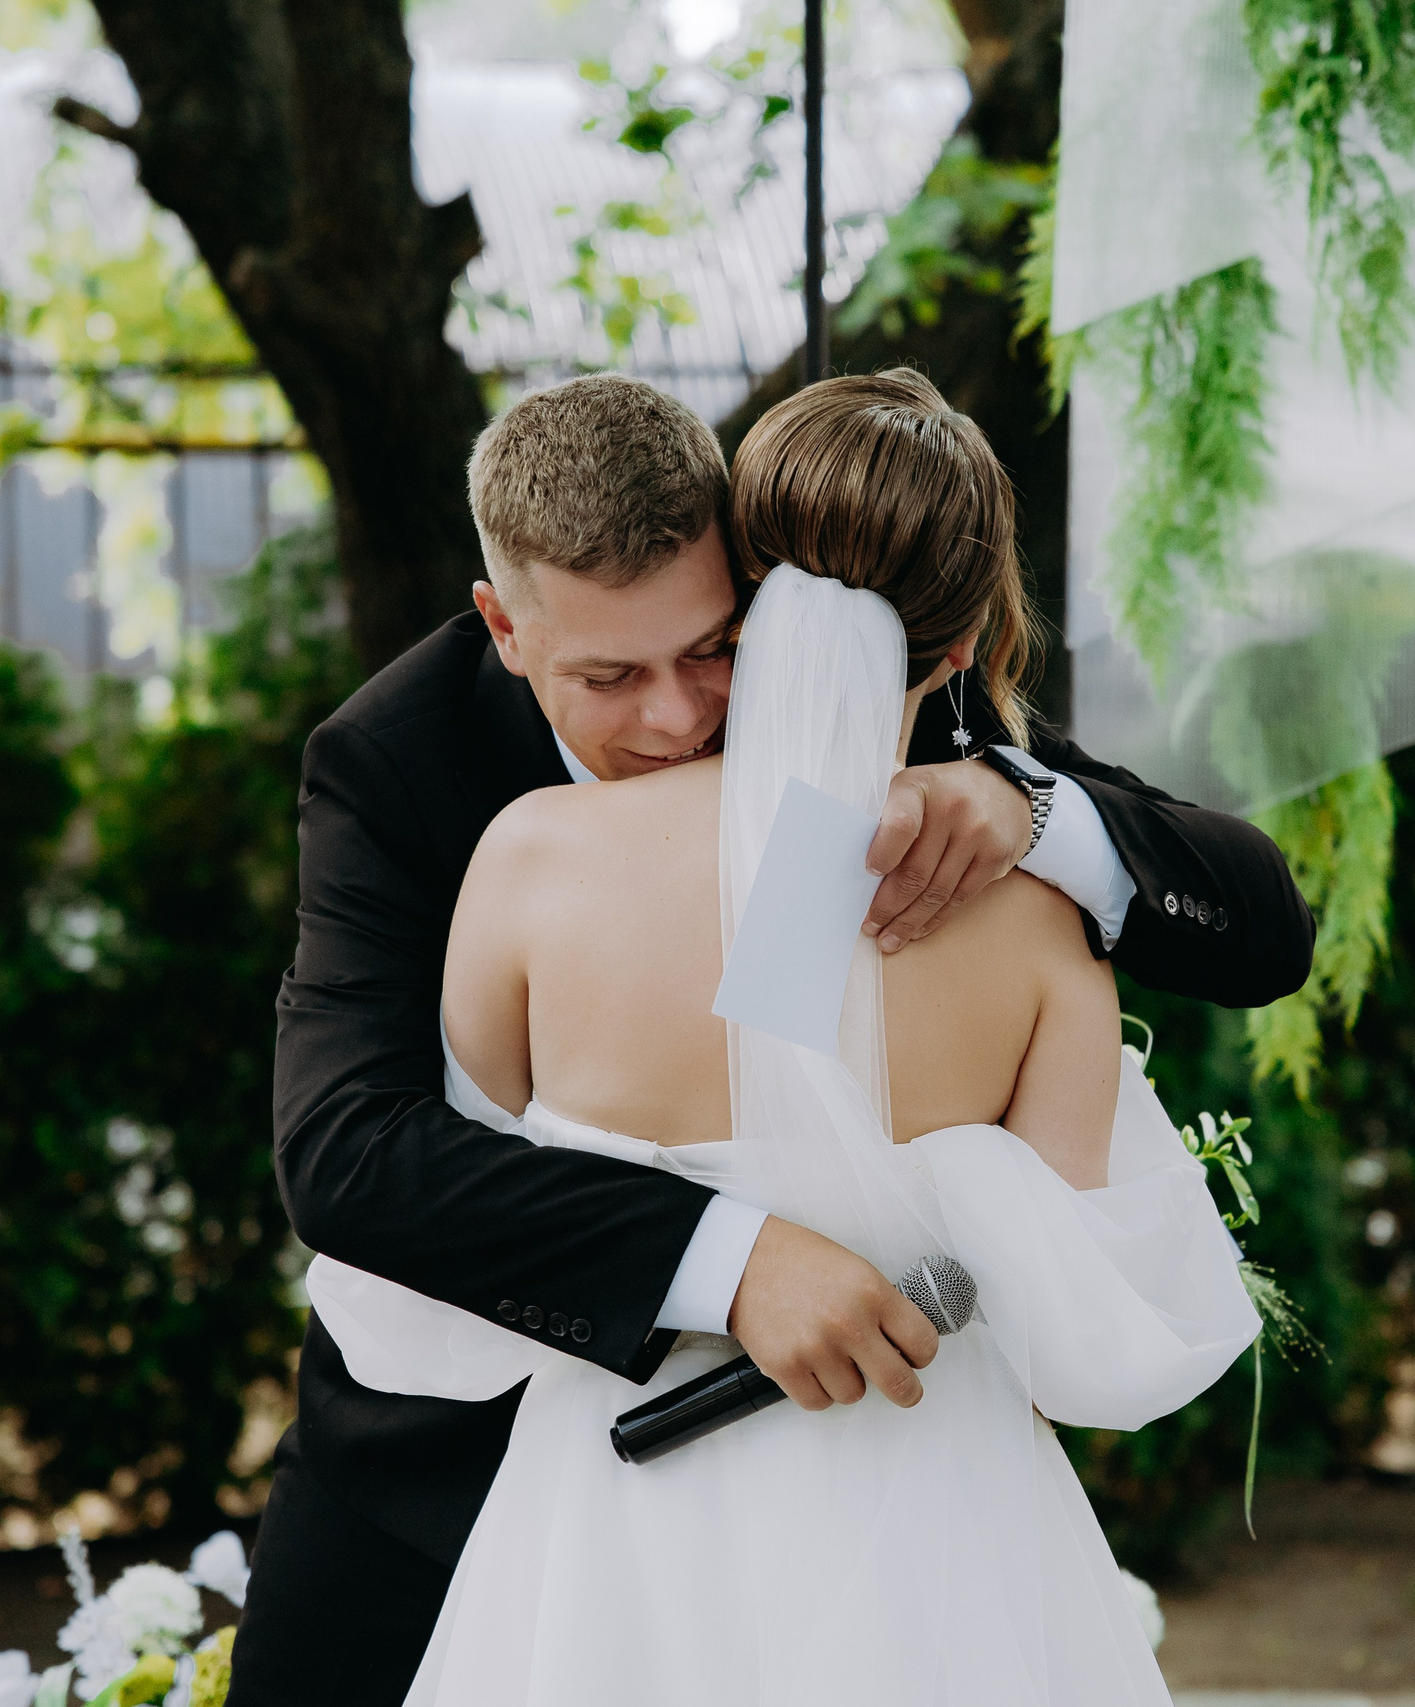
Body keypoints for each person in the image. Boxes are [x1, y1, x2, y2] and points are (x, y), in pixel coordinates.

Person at [229, 371, 1313, 1705]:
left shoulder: (881, 673)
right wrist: (731, 1257)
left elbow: (1261, 928)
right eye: (610, 677)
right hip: (445, 1468)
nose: (681, 716)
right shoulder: (402, 762)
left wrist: (1031, 811)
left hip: (870, 1487)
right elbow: (350, 1153)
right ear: (505, 630)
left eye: (713, 649)